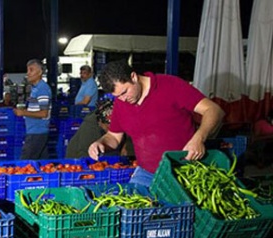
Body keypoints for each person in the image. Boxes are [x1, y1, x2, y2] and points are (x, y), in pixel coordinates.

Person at [88, 60, 225, 187]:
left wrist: (199, 138)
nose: (123, 99)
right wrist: (101, 143)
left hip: (183, 170)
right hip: (147, 173)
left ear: (134, 77)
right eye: (117, 96)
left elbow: (213, 110)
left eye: (125, 92)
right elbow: (114, 137)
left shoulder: (171, 85)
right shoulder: (121, 103)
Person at [14, 59, 52, 160]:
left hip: (37, 132)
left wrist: (23, 112)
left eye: (31, 70)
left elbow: (44, 113)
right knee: (43, 165)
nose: (28, 73)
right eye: (28, 70)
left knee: (25, 164)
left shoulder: (42, 89)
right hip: (36, 131)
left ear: (40, 72)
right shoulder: (36, 88)